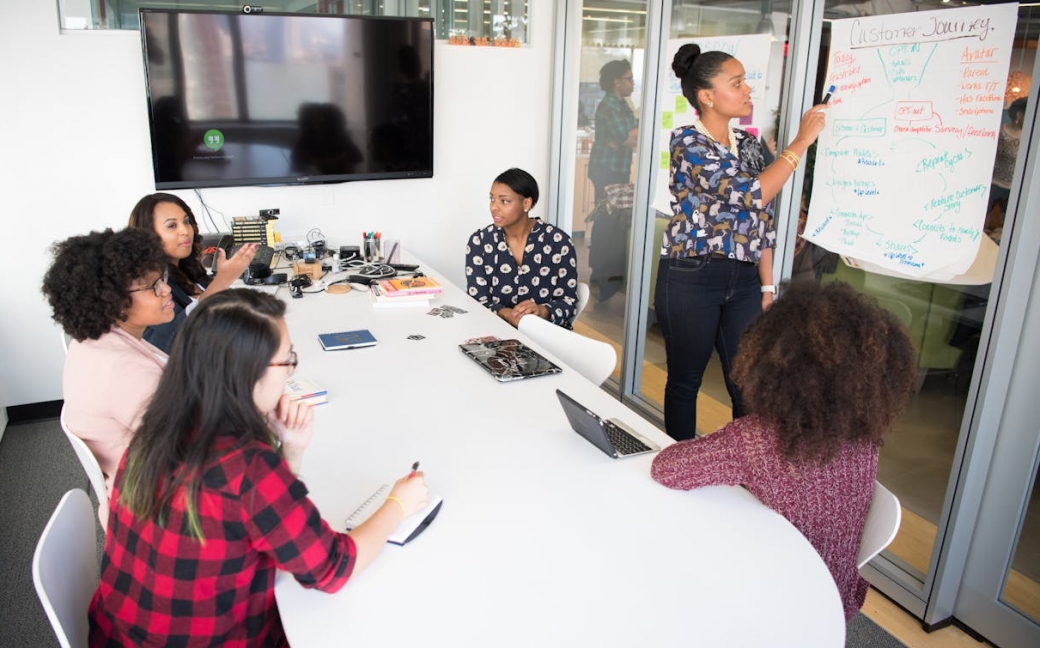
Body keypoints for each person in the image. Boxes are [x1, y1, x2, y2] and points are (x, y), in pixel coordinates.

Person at [89, 289, 429, 646]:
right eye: (288, 361)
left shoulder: (155, 432)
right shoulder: (247, 467)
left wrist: (291, 450)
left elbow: (253, 519)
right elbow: (332, 569)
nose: (291, 372)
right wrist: (399, 504)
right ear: (249, 373)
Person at [651, 281, 917, 621]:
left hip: (771, 605)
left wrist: (728, 446)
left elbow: (667, 469)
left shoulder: (756, 439)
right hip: (834, 602)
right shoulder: (864, 440)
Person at [655, 44, 828, 440]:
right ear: (707, 96)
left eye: (746, 81)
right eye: (737, 83)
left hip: (745, 279)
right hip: (691, 276)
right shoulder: (688, 143)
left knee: (748, 386)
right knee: (686, 381)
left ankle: (746, 472)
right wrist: (800, 142)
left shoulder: (748, 144)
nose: (747, 90)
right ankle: (679, 464)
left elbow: (760, 220)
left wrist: (767, 286)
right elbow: (753, 194)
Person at [41, 228, 174, 494]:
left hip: (140, 480)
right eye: (152, 286)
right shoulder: (123, 371)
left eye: (163, 278)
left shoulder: (94, 341)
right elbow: (193, 451)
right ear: (114, 301)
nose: (166, 289)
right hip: (159, 503)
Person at [128, 193, 258, 352]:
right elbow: (178, 337)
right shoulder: (150, 287)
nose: (185, 230)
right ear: (148, 235)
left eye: (186, 221)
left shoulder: (189, 270)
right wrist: (222, 281)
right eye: (172, 226)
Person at [465, 168, 579, 329]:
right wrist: (507, 314)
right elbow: (476, 301)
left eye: (504, 201)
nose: (494, 207)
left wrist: (543, 311)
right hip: (495, 334)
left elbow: (569, 301)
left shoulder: (558, 242)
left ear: (526, 203)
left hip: (545, 337)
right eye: (492, 199)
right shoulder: (480, 242)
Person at [587, 59, 639, 207]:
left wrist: (628, 137)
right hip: (607, 169)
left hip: (618, 168)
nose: (632, 83)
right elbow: (627, 139)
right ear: (617, 82)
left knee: (615, 217)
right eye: (629, 79)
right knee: (606, 217)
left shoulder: (622, 104)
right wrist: (626, 138)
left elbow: (635, 135)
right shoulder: (610, 106)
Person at [987, 96, 1028, 240]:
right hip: (994, 185)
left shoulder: (1029, 138)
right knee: (989, 223)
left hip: (1015, 189)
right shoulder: (1001, 132)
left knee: (1006, 228)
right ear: (1019, 115)